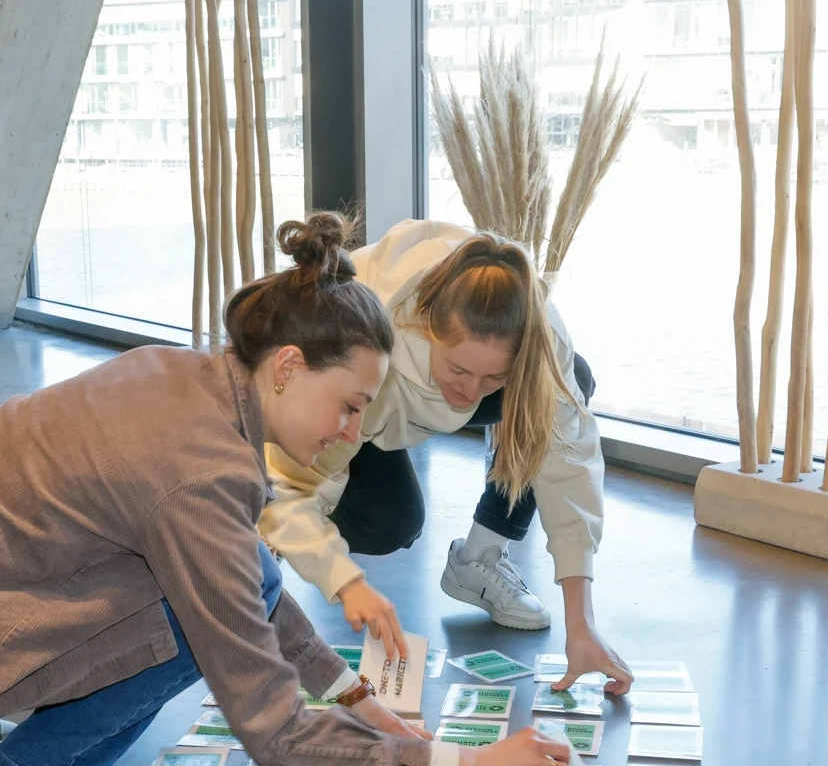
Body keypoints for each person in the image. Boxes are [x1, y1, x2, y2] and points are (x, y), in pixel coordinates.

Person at [0, 215, 575, 766]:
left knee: (227, 569)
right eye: (347, 406)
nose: (351, 433)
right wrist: (466, 764)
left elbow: (248, 574)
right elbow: (272, 736)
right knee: (189, 620)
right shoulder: (202, 478)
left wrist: (357, 698)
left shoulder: (177, 374)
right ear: (286, 367)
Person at [260, 218, 634, 695]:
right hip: (366, 398)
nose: (472, 393)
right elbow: (295, 482)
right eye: (459, 369)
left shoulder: (538, 338)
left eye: (493, 378)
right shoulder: (367, 330)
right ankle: (268, 549)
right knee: (391, 523)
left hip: (395, 396)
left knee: (569, 382)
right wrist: (340, 578)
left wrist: (581, 625)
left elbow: (569, 464)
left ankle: (478, 559)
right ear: (428, 325)